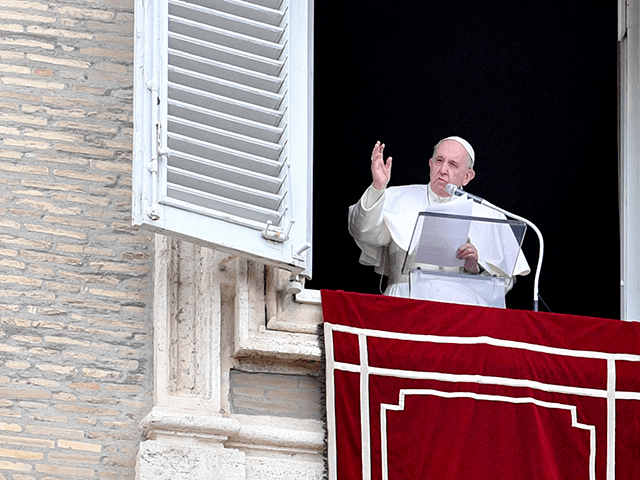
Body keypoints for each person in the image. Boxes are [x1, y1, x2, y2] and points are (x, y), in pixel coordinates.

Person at [348, 136, 530, 302]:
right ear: (430, 164)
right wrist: (377, 187)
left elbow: (503, 285)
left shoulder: (489, 214)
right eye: (439, 161)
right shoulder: (396, 197)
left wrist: (476, 267)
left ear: (467, 176)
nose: (443, 170)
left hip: (462, 310)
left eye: (453, 164)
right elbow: (362, 231)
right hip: (404, 301)